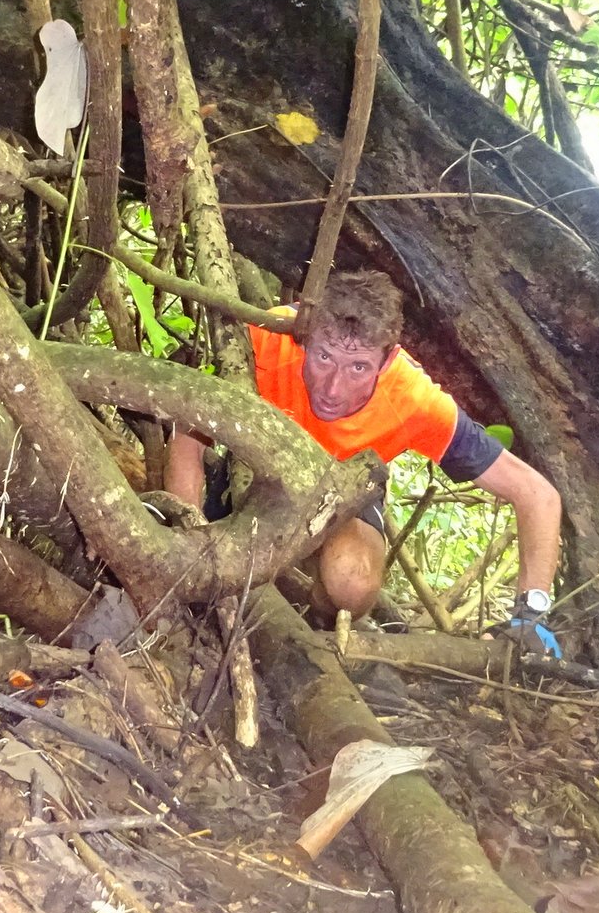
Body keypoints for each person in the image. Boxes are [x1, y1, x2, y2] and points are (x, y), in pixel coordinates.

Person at [164, 270, 564, 652]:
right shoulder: (267, 337)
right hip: (251, 475)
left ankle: (315, 622)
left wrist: (529, 617)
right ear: (305, 337)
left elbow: (537, 494)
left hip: (346, 487)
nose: (333, 388)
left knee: (351, 584)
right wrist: (185, 536)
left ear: (387, 362)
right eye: (323, 357)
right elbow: (190, 430)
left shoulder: (412, 399)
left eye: (358, 368)